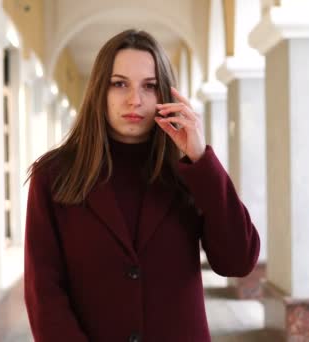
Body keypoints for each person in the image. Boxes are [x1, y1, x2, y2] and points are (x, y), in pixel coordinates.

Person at [24, 29, 260, 342]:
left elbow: (238, 260)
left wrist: (202, 158)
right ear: (99, 91)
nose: (134, 100)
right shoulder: (54, 176)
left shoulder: (189, 172)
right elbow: (44, 293)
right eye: (119, 84)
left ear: (165, 94)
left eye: (149, 86)